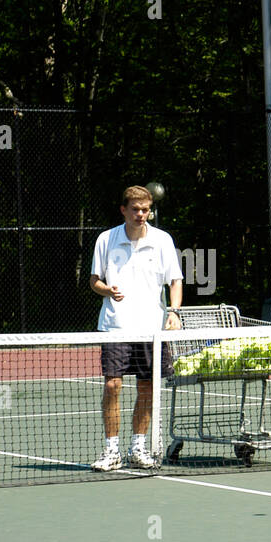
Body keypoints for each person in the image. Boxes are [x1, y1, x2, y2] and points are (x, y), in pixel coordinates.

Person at [90, 185, 184, 471]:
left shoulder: (162, 240)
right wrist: (107, 289)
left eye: (146, 210)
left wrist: (174, 312)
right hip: (116, 326)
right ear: (124, 210)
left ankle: (138, 448)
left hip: (151, 329)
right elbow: (94, 281)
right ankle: (111, 451)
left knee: (146, 388)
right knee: (112, 385)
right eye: (136, 210)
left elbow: (175, 281)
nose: (141, 215)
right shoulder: (106, 239)